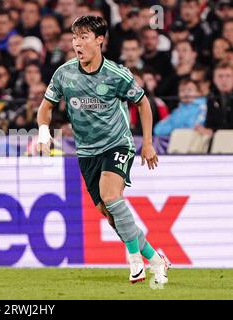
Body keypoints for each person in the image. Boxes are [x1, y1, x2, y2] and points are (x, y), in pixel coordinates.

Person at [36, 15, 169, 285]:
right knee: (111, 215)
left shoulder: (116, 74)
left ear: (99, 40)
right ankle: (155, 259)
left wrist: (147, 142)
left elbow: (143, 103)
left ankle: (134, 263)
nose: (77, 43)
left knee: (111, 196)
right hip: (87, 152)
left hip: (117, 144)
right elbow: (45, 107)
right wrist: (43, 133)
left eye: (84, 37)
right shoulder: (64, 73)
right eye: (74, 38)